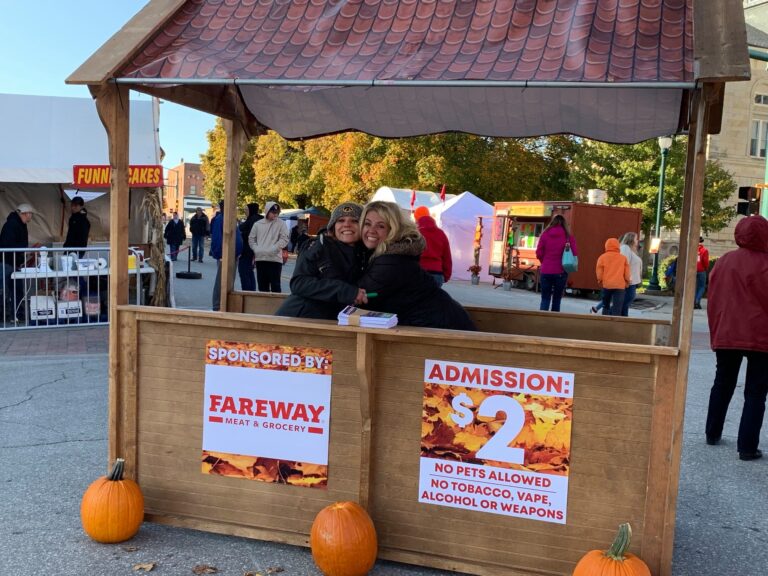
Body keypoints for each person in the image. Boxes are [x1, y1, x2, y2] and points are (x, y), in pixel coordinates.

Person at [704, 216, 768, 461]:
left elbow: (715, 297)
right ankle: (747, 447)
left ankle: (712, 432)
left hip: (728, 332)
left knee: (723, 381)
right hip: (762, 335)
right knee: (756, 391)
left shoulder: (725, 261)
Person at [356, 201, 475, 330]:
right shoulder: (391, 254)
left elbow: (358, 296)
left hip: (442, 330)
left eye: (381, 226)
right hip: (438, 322)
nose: (371, 230)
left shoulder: (391, 261)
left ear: (393, 230)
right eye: (367, 224)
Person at [276, 202, 368, 319]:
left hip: (332, 324)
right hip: (299, 321)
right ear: (333, 226)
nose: (347, 225)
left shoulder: (365, 253)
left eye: (354, 221)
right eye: (340, 221)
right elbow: (299, 283)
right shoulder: (318, 246)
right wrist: (345, 291)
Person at [0, 203, 37, 321]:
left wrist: (24, 252)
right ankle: (5, 315)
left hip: (14, 262)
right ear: (24, 213)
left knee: (16, 289)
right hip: (6, 262)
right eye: (30, 213)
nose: (31, 216)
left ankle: (16, 314)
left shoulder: (20, 224)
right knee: (4, 290)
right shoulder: (11, 225)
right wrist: (24, 252)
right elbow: (7, 245)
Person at [535, 215, 578, 312]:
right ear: (565, 224)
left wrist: (544, 262)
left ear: (552, 222)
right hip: (561, 271)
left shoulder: (544, 235)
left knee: (545, 298)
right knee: (557, 299)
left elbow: (539, 253)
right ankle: (554, 322)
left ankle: (542, 321)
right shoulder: (568, 237)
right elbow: (574, 253)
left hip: (546, 270)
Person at [248, 201, 289, 293]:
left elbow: (284, 238)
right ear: (267, 211)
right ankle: (264, 307)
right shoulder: (257, 224)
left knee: (276, 287)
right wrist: (256, 249)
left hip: (275, 260)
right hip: (261, 259)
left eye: (277, 213)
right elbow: (251, 239)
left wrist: (275, 248)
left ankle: (276, 307)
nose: (275, 215)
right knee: (262, 287)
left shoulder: (281, 224)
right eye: (273, 212)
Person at [210, 200, 243, 311]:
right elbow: (217, 239)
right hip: (224, 255)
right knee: (221, 281)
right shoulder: (220, 220)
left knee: (229, 282)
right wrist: (220, 254)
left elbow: (237, 236)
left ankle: (225, 304)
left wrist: (238, 252)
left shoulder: (231, 219)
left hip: (233, 255)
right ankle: (217, 305)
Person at [413, 205, 452, 287]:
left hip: (418, 272)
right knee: (432, 299)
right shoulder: (441, 233)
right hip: (437, 273)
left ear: (416, 218)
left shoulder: (415, 233)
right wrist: (446, 275)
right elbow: (447, 257)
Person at [595, 237, 630, 316]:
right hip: (620, 286)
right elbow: (627, 273)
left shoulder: (602, 257)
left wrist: (600, 281)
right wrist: (627, 282)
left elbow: (599, 272)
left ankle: (605, 322)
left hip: (607, 285)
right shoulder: (623, 258)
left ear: (606, 246)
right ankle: (615, 324)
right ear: (618, 246)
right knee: (617, 308)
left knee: (606, 305)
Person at [238, 203, 262, 291]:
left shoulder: (253, 220)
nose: (245, 211)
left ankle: (247, 292)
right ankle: (251, 291)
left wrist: (240, 234)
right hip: (250, 250)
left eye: (246, 209)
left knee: (244, 271)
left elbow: (251, 235)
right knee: (249, 271)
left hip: (247, 250)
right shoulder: (254, 219)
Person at [695, 236, 709, 309]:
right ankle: (697, 301)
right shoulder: (704, 250)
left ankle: (693, 301)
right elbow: (705, 262)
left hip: (692, 270)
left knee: (693, 287)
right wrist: (706, 269)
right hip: (701, 270)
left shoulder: (692, 249)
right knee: (701, 287)